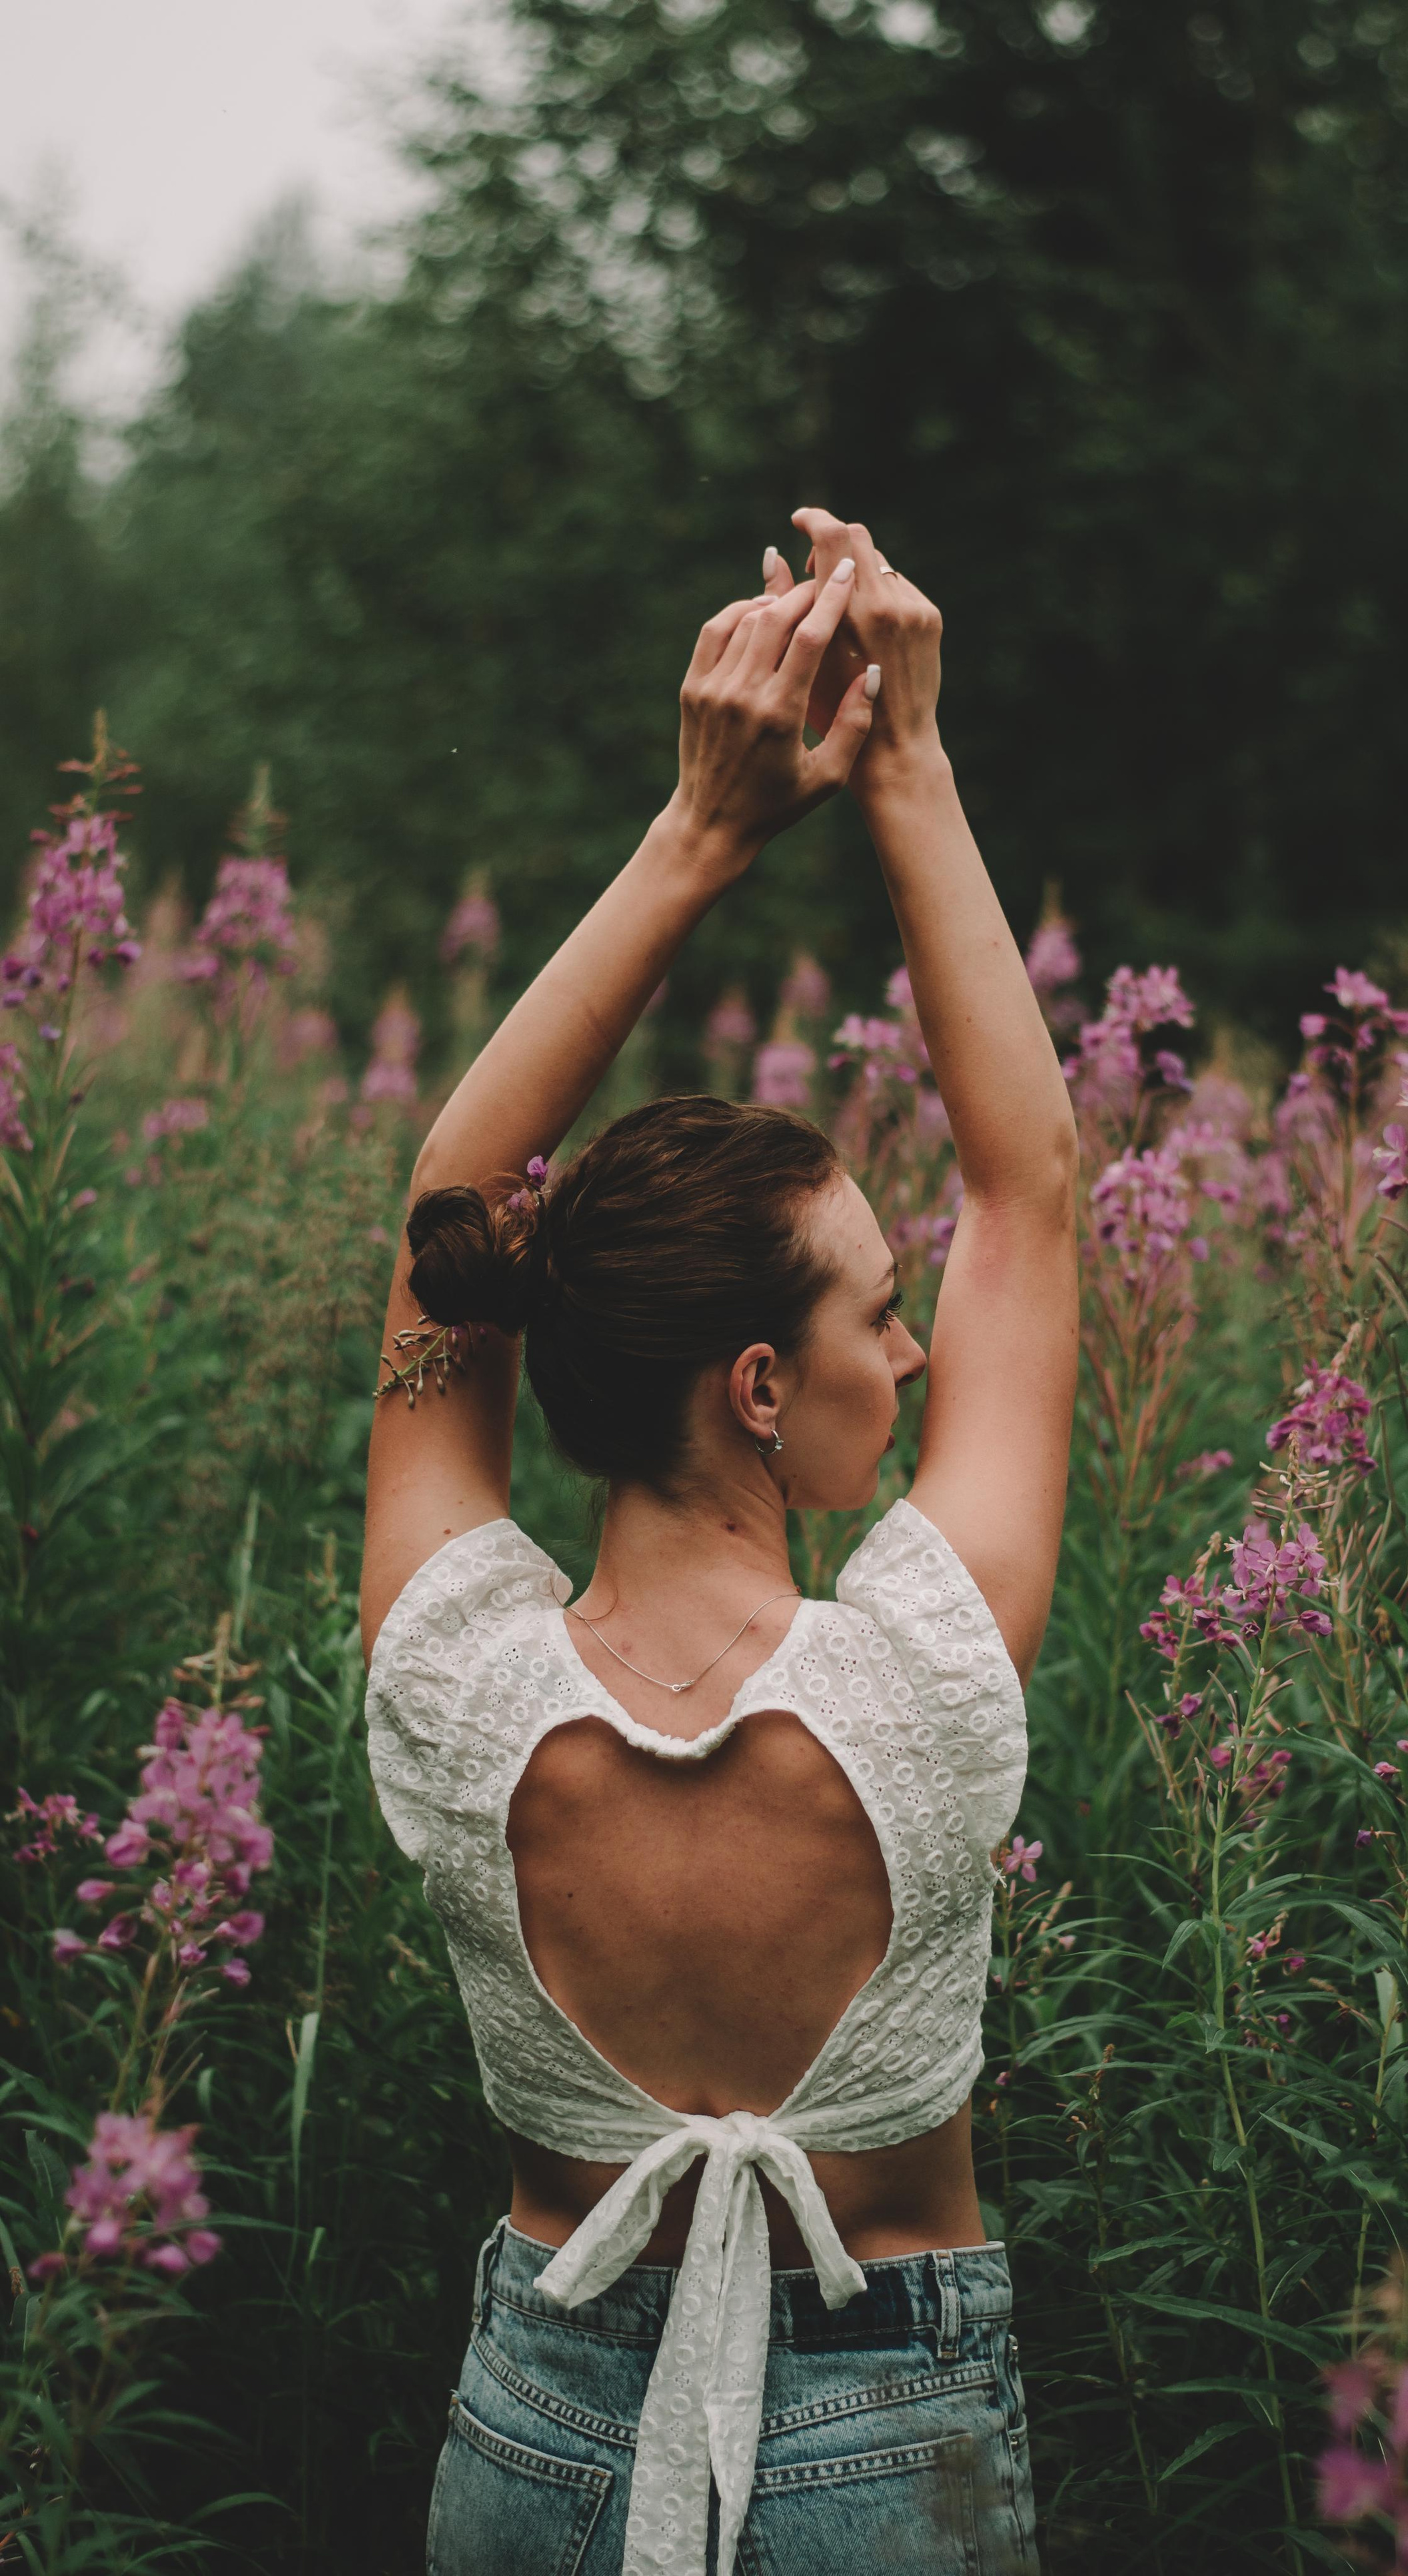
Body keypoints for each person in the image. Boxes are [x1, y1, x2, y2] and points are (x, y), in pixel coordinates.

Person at [360, 507, 1079, 2576]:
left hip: (542, 2442)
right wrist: (909, 766)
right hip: (888, 2437)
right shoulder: (919, 1681)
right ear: (761, 1387)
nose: (921, 1339)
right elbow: (1032, 1198)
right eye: (875, 1307)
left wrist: (701, 829)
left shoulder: (453, 1681)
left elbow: (446, 1218)